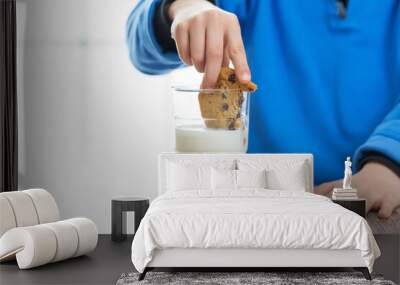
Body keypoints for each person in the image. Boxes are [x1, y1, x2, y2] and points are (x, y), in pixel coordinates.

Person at [126, 0, 400, 218]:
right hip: (259, 201)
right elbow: (140, 42)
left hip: (383, 199)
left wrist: (389, 162)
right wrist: (181, 6)